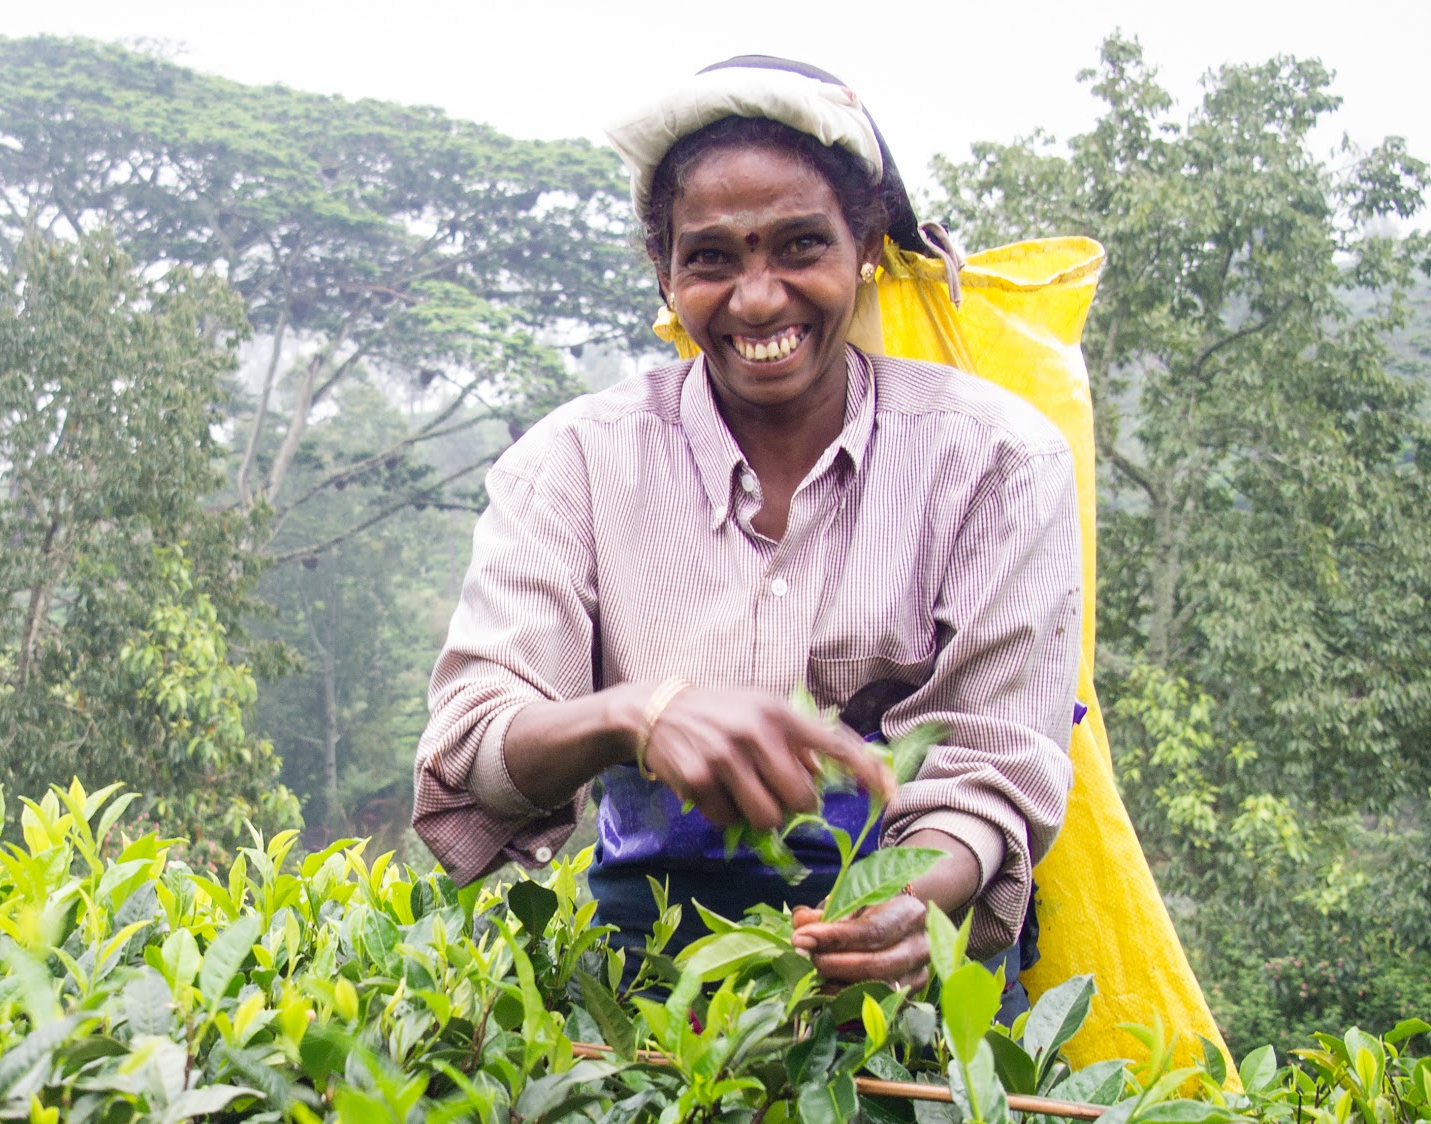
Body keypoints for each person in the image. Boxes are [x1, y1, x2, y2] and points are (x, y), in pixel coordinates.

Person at [412, 57, 1082, 1002]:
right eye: (712, 259)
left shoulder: (998, 462)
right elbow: (474, 744)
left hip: (918, 1010)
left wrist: (914, 900)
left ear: (866, 249)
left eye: (801, 246)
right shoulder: (573, 465)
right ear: (665, 272)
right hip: (660, 1007)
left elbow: (987, 764)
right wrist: (631, 715)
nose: (758, 298)